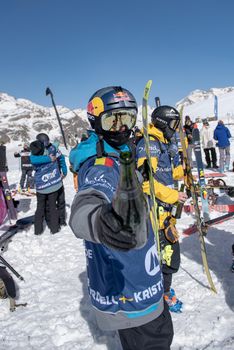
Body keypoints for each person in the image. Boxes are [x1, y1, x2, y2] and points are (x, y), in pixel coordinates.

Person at [69, 86, 173, 350]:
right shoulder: (101, 163)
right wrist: (103, 223)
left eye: (126, 119)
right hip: (131, 290)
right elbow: (86, 206)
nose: (121, 128)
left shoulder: (118, 154)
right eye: (112, 121)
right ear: (96, 123)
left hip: (140, 277)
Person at [136, 106, 187, 313]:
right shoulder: (149, 145)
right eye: (174, 124)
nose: (175, 128)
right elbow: (145, 182)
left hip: (165, 210)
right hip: (154, 211)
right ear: (163, 123)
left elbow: (169, 174)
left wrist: (181, 164)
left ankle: (162, 289)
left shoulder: (162, 142)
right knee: (165, 254)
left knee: (168, 253)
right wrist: (173, 195)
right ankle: (161, 292)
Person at [30, 134, 63, 235]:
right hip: (53, 184)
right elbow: (57, 152)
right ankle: (54, 229)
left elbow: (32, 159)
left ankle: (38, 230)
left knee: (40, 208)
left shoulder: (35, 155)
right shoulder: (52, 153)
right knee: (53, 207)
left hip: (41, 187)